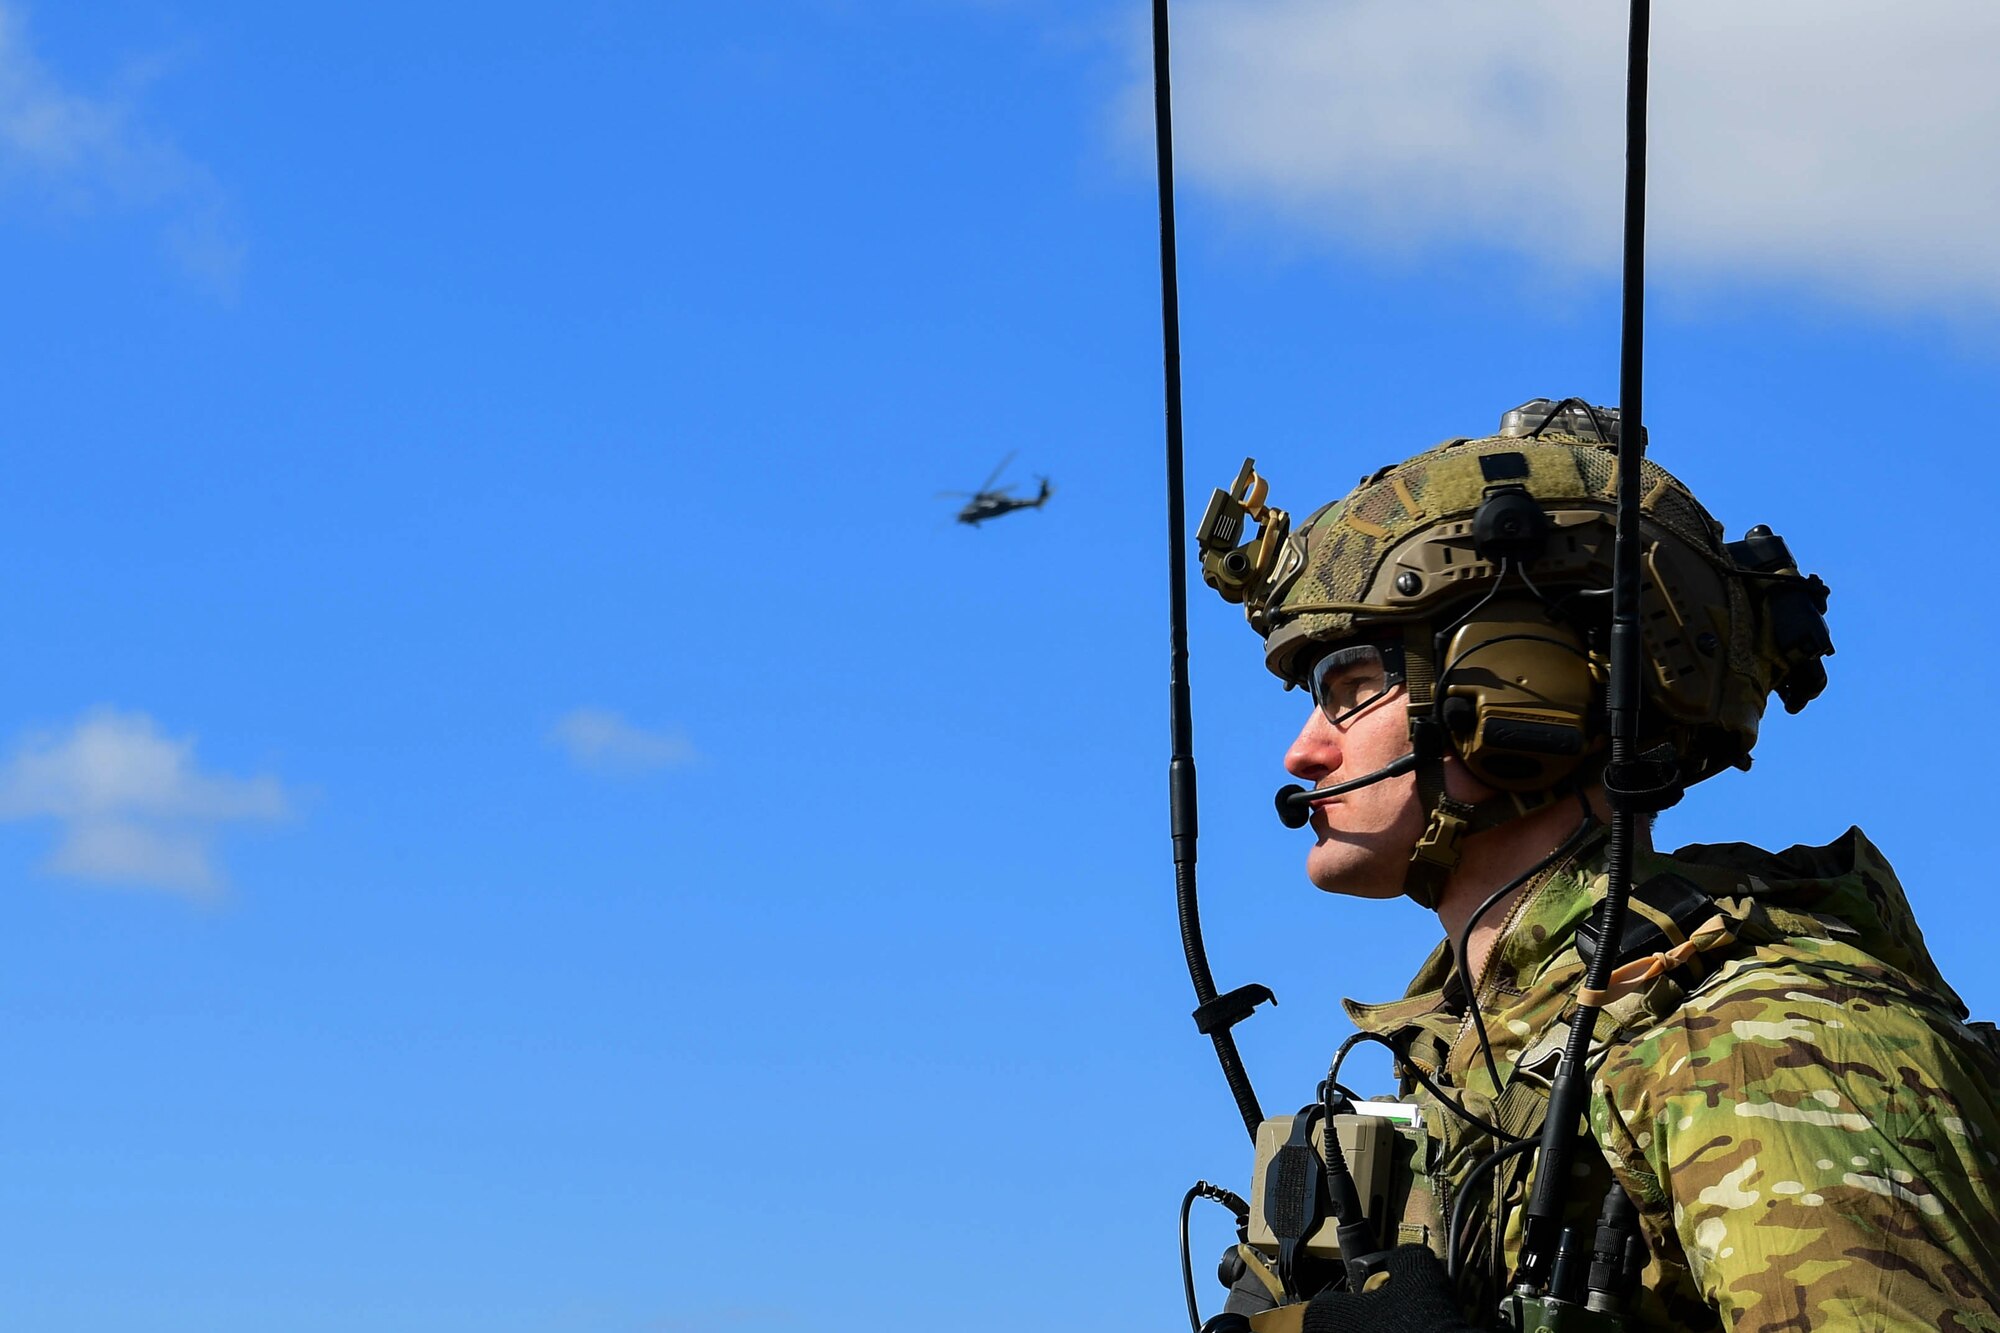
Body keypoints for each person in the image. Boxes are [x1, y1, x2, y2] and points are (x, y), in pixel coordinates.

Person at [1199, 400, 2000, 1331]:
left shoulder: (1766, 1049)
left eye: (1348, 687)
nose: (1303, 752)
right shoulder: (1471, 1073)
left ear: (1514, 678)